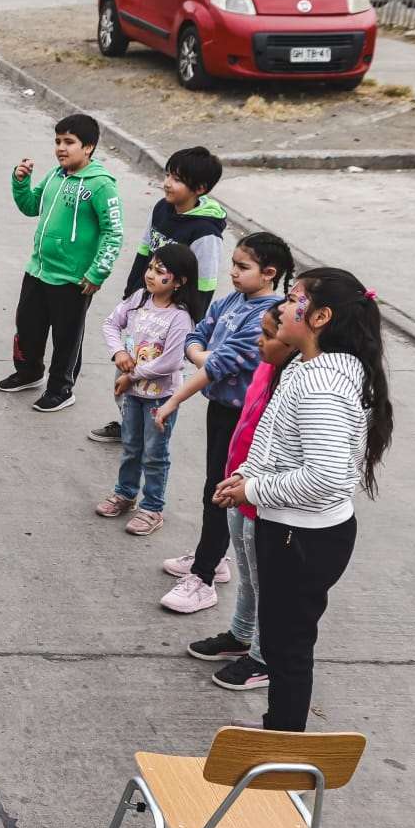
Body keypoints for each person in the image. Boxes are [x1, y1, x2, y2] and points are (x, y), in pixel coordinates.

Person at [215, 267, 393, 732]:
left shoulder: (321, 386)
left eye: (294, 298)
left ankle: (283, 740)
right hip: (291, 527)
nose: (282, 306)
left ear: (320, 317)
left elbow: (326, 477)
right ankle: (280, 733)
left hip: (303, 537)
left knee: (287, 649)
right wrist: (247, 474)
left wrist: (253, 490)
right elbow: (272, 435)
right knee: (280, 641)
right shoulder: (304, 365)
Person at [152, 232, 294, 613]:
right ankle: (211, 557)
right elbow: (197, 335)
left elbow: (220, 361)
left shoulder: (267, 317)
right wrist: (206, 356)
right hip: (220, 408)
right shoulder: (233, 299)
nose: (232, 272)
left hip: (243, 418)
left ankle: (203, 578)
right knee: (212, 486)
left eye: (242, 266)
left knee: (220, 491)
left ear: (269, 273)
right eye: (233, 263)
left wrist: (192, 375)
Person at [185, 308, 294, 693]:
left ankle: (263, 658)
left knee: (265, 581)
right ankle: (241, 634)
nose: (259, 342)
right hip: (243, 482)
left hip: (264, 495)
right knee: (248, 573)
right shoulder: (269, 368)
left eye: (269, 335)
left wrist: (253, 486)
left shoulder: (299, 379)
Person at [90, 146, 227, 444]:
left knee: (154, 374)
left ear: (200, 188)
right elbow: (144, 250)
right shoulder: (162, 209)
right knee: (126, 366)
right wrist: (132, 293)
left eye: (177, 179)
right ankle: (129, 424)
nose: (167, 183)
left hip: (171, 317)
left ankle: (149, 432)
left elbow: (205, 285)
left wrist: (189, 323)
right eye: (167, 175)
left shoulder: (205, 232)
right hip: (145, 305)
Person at [0, 113, 123, 413]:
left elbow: (113, 232)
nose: (61, 148)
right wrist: (21, 182)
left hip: (73, 279)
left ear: (88, 147)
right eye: (57, 141)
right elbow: (31, 206)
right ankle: (29, 372)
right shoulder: (55, 176)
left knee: (66, 338)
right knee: (27, 326)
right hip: (38, 269)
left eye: (69, 142)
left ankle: (60, 388)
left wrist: (97, 272)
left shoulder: (101, 185)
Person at [93, 243, 204, 536]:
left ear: (179, 281)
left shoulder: (180, 317)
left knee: (155, 454)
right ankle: (125, 493)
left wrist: (132, 376)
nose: (151, 275)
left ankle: (152, 507)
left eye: (160, 271)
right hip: (133, 395)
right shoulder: (139, 299)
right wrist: (118, 352)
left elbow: (171, 361)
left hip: (160, 398)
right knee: (131, 446)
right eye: (151, 268)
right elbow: (110, 324)